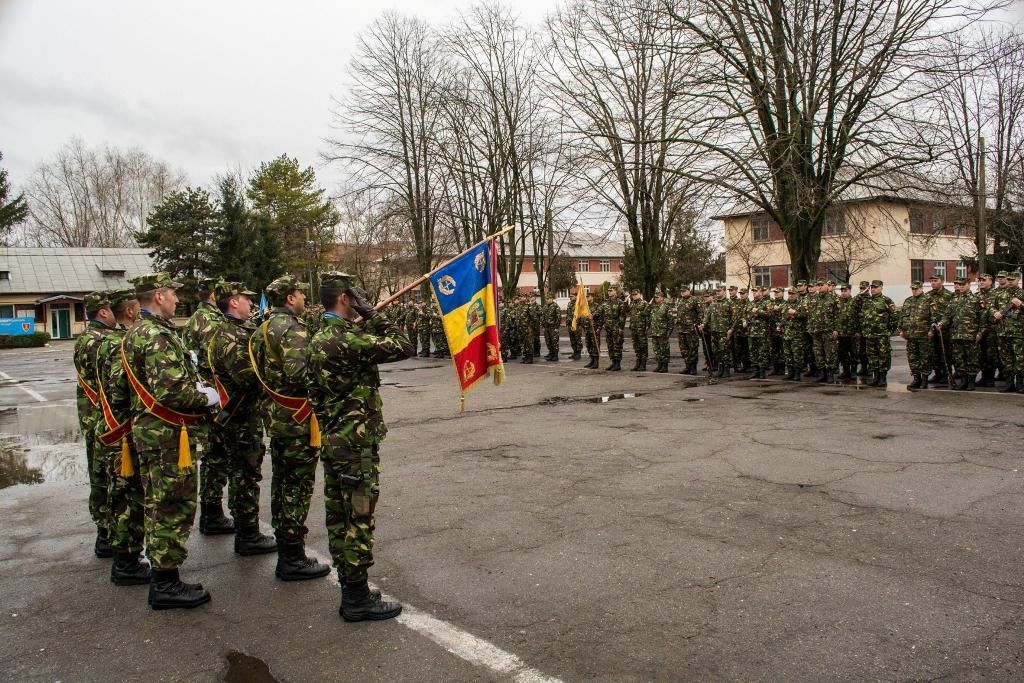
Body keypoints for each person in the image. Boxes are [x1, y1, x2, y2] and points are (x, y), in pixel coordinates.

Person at [307, 273, 413, 621]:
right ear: (344, 298)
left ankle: (352, 586)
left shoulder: (318, 337)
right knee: (359, 518)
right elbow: (403, 345)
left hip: (334, 438)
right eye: (356, 296)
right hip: (356, 443)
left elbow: (313, 394)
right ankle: (355, 599)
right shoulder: (347, 339)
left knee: (340, 516)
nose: (361, 300)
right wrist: (372, 313)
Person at [120, 272, 221, 609]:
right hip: (166, 436)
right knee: (171, 505)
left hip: (154, 432)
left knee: (158, 503)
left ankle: (165, 576)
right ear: (159, 297)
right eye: (172, 295)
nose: (177, 300)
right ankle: (165, 583)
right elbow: (171, 391)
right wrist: (206, 397)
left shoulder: (140, 332)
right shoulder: (155, 335)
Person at [250, 275, 319, 567]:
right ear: (290, 299)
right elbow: (299, 375)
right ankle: (292, 556)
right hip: (297, 419)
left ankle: (284, 539)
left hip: (275, 416)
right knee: (297, 485)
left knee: (281, 482)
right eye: (300, 294)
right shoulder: (293, 330)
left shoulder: (261, 330)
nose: (303, 298)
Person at [93, 288, 149, 585]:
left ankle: (125, 557)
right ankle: (127, 561)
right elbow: (121, 392)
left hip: (114, 426)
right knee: (128, 495)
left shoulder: (110, 342)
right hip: (123, 430)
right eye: (138, 305)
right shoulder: (120, 344)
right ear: (130, 311)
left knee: (122, 492)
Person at [181, 276, 235, 535]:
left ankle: (211, 510)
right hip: (215, 397)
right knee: (217, 455)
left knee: (214, 454)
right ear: (213, 295)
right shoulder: (214, 322)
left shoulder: (193, 319)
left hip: (204, 393)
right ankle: (212, 512)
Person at [73, 290, 116, 558]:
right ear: (103, 311)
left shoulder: (86, 338)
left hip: (93, 418)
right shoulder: (100, 341)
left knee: (100, 476)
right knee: (107, 478)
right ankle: (107, 535)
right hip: (103, 418)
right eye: (113, 309)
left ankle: (105, 534)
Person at [934, 277, 982, 391]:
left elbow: (983, 318)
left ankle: (971, 382)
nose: (960, 287)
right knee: (959, 359)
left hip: (970, 335)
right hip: (956, 335)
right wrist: (942, 323)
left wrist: (980, 333)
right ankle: (964, 381)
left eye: (963, 285)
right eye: (959, 285)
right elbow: (947, 315)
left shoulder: (976, 299)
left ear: (969, 285)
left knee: (972, 359)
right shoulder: (954, 300)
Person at [859, 280, 898, 387]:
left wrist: (889, 331)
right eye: (872, 287)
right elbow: (862, 316)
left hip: (881, 335)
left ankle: (883, 378)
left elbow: (894, 317)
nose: (873, 289)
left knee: (883, 356)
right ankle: (876, 377)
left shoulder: (886, 300)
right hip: (869, 335)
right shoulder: (867, 301)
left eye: (875, 287)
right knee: (872, 357)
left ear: (881, 288)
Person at [898, 281, 932, 389]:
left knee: (924, 358)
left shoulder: (928, 300)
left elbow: (934, 317)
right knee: (913, 358)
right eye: (913, 289)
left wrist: (931, 331)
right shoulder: (908, 301)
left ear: (921, 288)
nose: (914, 291)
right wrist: (901, 330)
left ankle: (925, 380)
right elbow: (902, 316)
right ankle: (916, 378)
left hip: (923, 335)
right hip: (911, 336)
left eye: (916, 289)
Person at [925, 274, 953, 385]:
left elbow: (951, 313)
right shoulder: (928, 296)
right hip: (932, 329)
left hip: (944, 330)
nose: (933, 283)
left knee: (945, 353)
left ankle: (946, 375)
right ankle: (937, 373)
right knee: (934, 353)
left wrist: (945, 324)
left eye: (935, 281)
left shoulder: (949, 295)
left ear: (942, 281)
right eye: (931, 281)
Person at [675, 286, 701, 375]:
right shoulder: (680, 300)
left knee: (692, 348)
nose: (682, 293)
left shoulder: (694, 299)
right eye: (681, 291)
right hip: (681, 329)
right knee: (684, 349)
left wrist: (697, 323)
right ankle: (687, 366)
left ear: (688, 291)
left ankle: (693, 367)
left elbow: (700, 312)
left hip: (691, 329)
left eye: (684, 291)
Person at [649, 290, 675, 372]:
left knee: (664, 350)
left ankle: (665, 366)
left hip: (663, 332)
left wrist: (668, 332)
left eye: (657, 297)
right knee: (657, 350)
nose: (656, 299)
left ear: (662, 298)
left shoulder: (666, 307)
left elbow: (671, 321)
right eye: (655, 297)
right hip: (655, 332)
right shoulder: (654, 307)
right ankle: (659, 365)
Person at [627, 289, 650, 371]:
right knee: (636, 346)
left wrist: (647, 326)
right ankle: (638, 363)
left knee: (643, 346)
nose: (634, 296)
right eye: (632, 295)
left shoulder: (644, 303)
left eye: (635, 294)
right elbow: (627, 312)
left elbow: (648, 315)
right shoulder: (631, 304)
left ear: (639, 294)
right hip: (634, 328)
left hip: (641, 329)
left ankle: (643, 364)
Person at [541, 290, 561, 361]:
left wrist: (556, 327)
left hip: (553, 328)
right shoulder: (545, 306)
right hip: (546, 327)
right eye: (546, 299)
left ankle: (555, 355)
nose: (547, 300)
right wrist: (543, 326)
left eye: (549, 299)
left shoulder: (556, 306)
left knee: (554, 341)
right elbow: (542, 316)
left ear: (552, 299)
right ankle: (551, 353)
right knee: (548, 341)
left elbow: (558, 317)